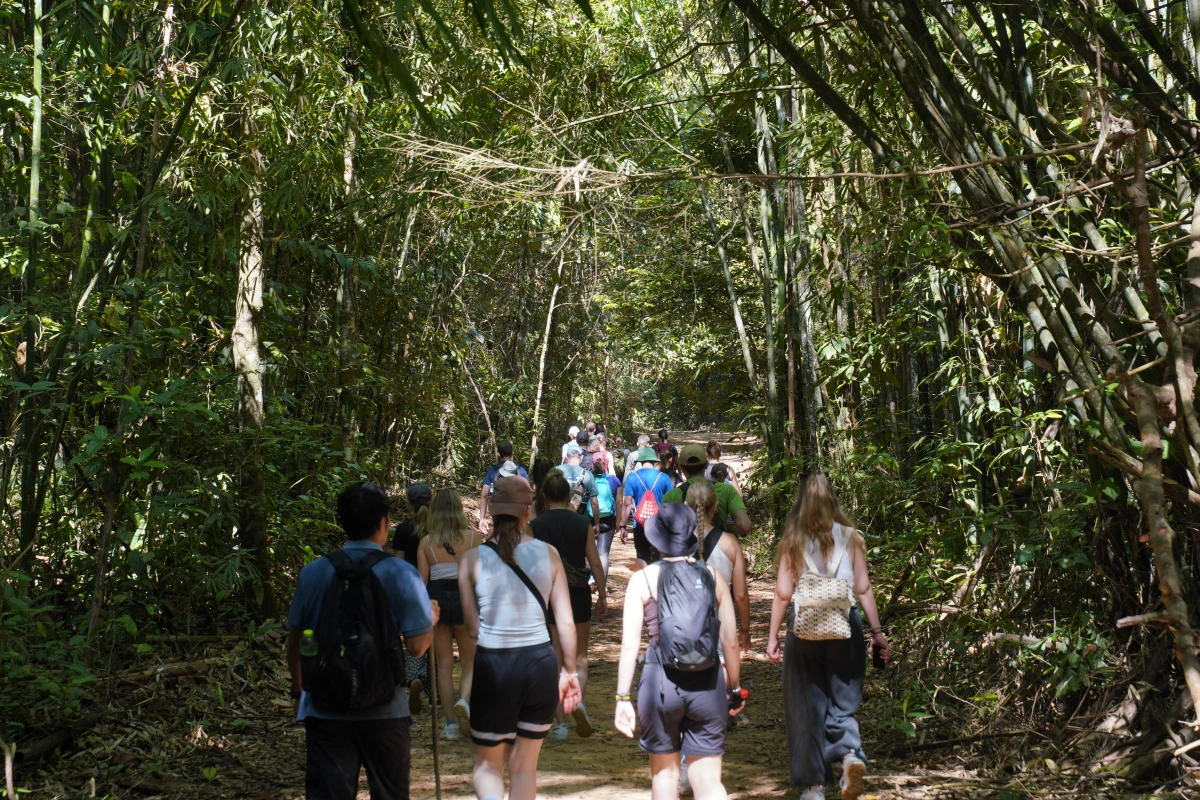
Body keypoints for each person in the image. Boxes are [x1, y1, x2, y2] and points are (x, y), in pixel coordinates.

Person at [286, 481, 437, 800]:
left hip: (325, 710)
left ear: (343, 522)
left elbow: (297, 642)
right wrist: (431, 620)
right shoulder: (400, 573)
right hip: (386, 711)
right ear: (384, 524)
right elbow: (417, 647)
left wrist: (301, 692)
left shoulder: (313, 573)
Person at [766, 474, 890, 800]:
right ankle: (849, 756)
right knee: (842, 699)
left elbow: (782, 593)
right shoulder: (851, 538)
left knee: (806, 705)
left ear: (802, 502)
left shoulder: (793, 539)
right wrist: (877, 634)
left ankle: (815, 786)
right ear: (833, 501)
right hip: (844, 623)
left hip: (804, 625)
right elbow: (862, 588)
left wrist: (772, 637)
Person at [458, 477, 583, 800]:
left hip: (494, 665)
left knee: (487, 766)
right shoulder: (549, 555)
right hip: (539, 663)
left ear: (494, 512)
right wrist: (569, 672)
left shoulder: (471, 560)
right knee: (524, 767)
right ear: (528, 511)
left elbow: (472, 629)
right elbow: (566, 624)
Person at [613, 503, 745, 800]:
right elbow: (731, 643)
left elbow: (629, 645)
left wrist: (622, 697)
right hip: (708, 685)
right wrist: (734, 687)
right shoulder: (713, 577)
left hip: (659, 685)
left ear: (657, 539)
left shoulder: (642, 580)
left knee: (664, 776)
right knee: (709, 781)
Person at [530, 471, 608, 740]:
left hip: (549, 597)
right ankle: (579, 702)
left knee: (555, 659)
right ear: (568, 496)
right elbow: (594, 561)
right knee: (579, 657)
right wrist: (602, 594)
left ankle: (560, 724)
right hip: (578, 594)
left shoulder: (536, 526)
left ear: (544, 497)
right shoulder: (581, 522)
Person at [418, 488, 481, 741]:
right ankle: (465, 701)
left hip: (437, 601)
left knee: (443, 666)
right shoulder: (475, 539)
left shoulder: (426, 543)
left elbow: (422, 583)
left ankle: (450, 724)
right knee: (470, 662)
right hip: (467, 601)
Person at [685, 481, 751, 654]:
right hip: (720, 627)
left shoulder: (675, 542)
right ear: (715, 507)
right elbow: (740, 594)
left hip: (681, 625)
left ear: (686, 505)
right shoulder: (730, 543)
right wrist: (744, 631)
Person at [390, 482, 434, 711]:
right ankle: (433, 690)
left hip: (410, 589)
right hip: (434, 589)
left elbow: (398, 564)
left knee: (413, 639)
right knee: (435, 641)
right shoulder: (437, 528)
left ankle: (415, 676)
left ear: (408, 503)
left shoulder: (403, 529)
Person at [663, 445, 751, 538]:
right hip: (719, 547)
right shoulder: (727, 490)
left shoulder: (670, 496)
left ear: (681, 467)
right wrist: (725, 528)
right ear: (706, 464)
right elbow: (745, 525)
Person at [619, 447, 675, 567]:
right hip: (658, 524)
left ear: (640, 461)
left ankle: (643, 583)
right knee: (657, 559)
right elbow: (670, 503)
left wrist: (623, 526)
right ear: (654, 461)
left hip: (639, 524)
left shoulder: (632, 477)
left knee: (642, 558)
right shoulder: (664, 477)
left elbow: (627, 503)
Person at [480, 442, 528, 534]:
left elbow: (484, 495)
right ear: (512, 453)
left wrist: (482, 518)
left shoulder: (492, 470)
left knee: (499, 535)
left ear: (498, 454)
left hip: (497, 511)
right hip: (515, 512)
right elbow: (527, 495)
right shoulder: (521, 470)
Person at [590, 458, 623, 580]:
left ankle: (589, 581)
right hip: (608, 519)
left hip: (590, 518)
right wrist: (619, 522)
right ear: (606, 465)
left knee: (588, 550)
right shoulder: (614, 480)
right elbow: (619, 502)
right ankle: (602, 587)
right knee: (603, 553)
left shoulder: (588, 478)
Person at [558, 444, 600, 520]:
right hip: (578, 519)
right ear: (581, 458)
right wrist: (597, 524)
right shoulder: (587, 474)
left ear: (566, 457)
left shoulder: (555, 471)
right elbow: (594, 502)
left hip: (556, 516)